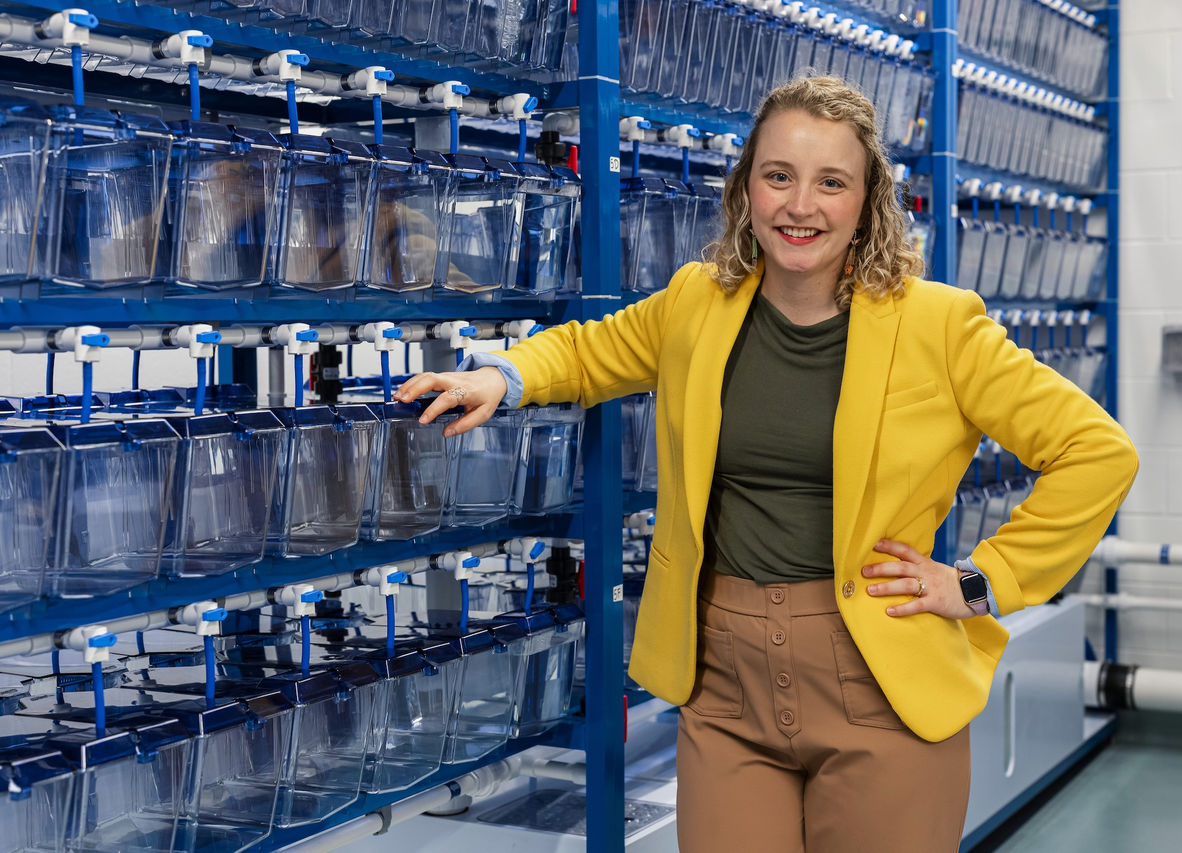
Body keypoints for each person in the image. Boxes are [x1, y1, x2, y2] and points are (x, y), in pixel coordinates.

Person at [393, 76, 1138, 852]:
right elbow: (592, 349)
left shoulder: (939, 325)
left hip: (880, 682)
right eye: (779, 175)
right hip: (725, 686)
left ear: (868, 199)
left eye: (831, 183)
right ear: (746, 184)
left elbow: (1096, 451)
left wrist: (982, 581)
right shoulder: (699, 301)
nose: (800, 205)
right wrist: (500, 376)